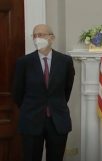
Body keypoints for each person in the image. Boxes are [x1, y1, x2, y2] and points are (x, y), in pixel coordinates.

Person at [12, 24, 75, 161]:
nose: (37, 38)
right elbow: (17, 93)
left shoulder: (65, 61)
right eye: (34, 35)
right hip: (31, 120)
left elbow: (67, 89)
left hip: (58, 120)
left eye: (41, 35)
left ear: (51, 38)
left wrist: (55, 105)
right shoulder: (24, 62)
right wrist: (29, 108)